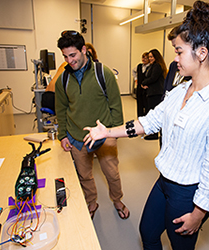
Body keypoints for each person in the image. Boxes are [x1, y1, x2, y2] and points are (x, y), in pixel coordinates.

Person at [83, 1, 209, 249]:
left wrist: (198, 214)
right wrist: (108, 131)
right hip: (164, 182)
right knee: (147, 233)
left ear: (201, 53)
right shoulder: (181, 91)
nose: (174, 58)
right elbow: (150, 121)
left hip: (187, 194)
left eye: (179, 51)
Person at [55, 30, 130, 220]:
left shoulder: (103, 73)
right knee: (85, 176)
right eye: (65, 56)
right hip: (77, 137)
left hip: (104, 137)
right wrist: (63, 135)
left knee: (112, 173)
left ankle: (118, 200)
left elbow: (116, 107)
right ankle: (91, 202)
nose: (69, 60)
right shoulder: (63, 79)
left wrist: (111, 133)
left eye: (73, 55)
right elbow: (61, 109)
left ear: (84, 50)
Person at [141, 49, 167, 140]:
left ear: (156, 57)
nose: (150, 58)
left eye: (151, 57)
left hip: (156, 93)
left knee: (153, 113)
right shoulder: (153, 66)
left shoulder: (157, 66)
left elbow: (153, 78)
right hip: (152, 92)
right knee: (150, 111)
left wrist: (144, 83)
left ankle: (155, 134)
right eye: (149, 57)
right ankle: (154, 133)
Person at [133, 52, 150, 117]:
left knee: (146, 104)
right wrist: (136, 79)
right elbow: (133, 71)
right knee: (139, 104)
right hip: (139, 88)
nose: (144, 59)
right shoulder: (139, 66)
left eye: (146, 58)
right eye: (143, 57)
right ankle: (139, 117)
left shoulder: (150, 67)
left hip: (146, 89)